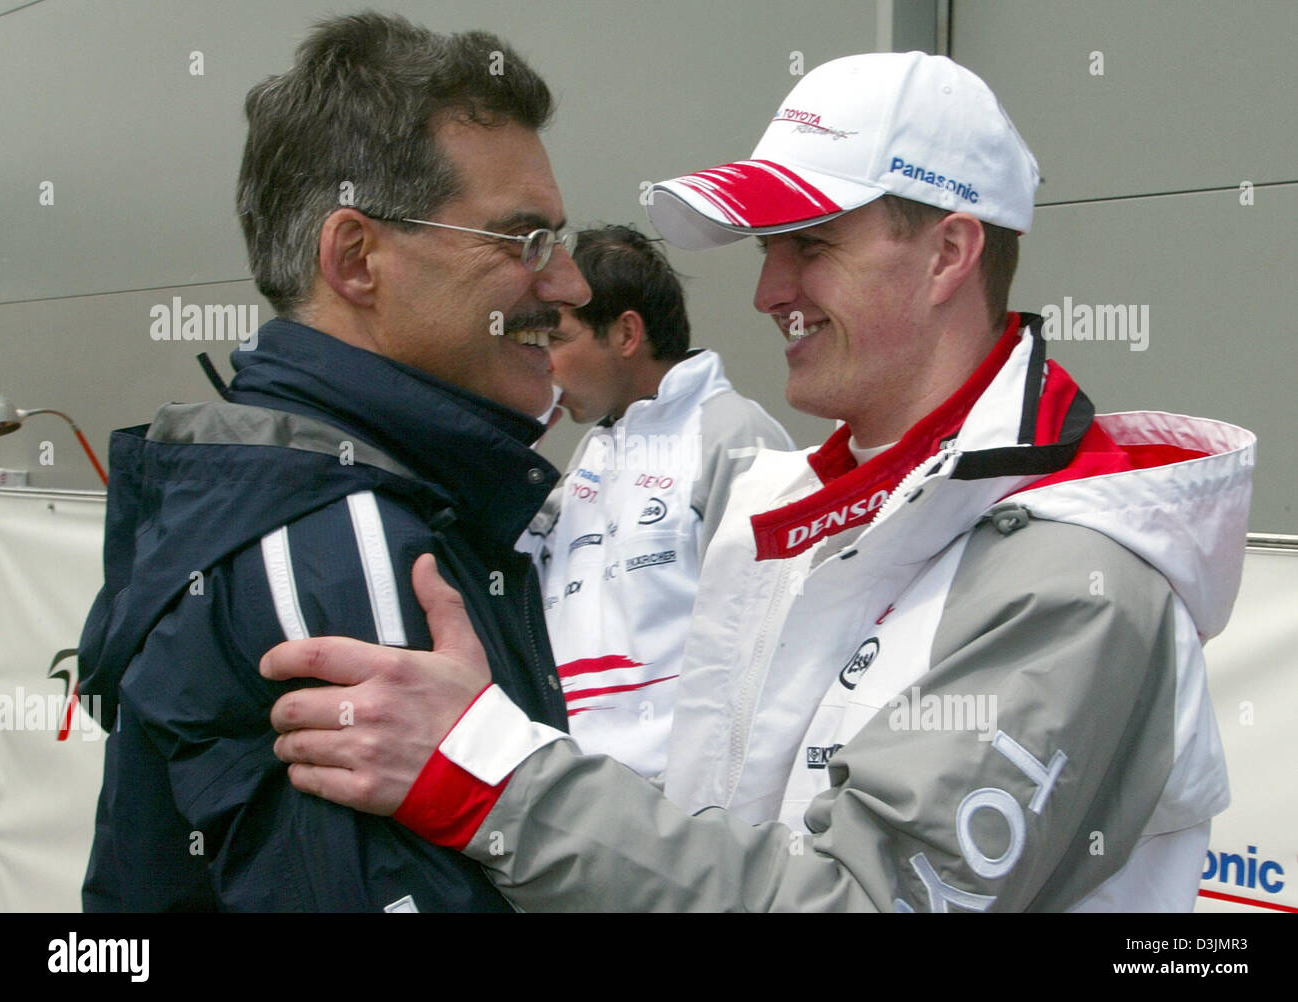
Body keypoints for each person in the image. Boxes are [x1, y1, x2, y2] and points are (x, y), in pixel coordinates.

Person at [262, 52, 1255, 911]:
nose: (766, 291)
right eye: (769, 247)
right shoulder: (784, 511)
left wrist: (491, 778)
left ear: (948, 252)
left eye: (811, 246)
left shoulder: (1078, 582)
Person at [77, 13, 590, 911]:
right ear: (356, 258)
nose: (569, 286)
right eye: (524, 242)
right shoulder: (337, 539)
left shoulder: (341, 494)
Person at [523, 224, 792, 778]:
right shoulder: (587, 459)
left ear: (626, 334)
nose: (543, 363)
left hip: (691, 817)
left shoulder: (732, 434)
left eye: (558, 340)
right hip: (575, 806)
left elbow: (780, 644)